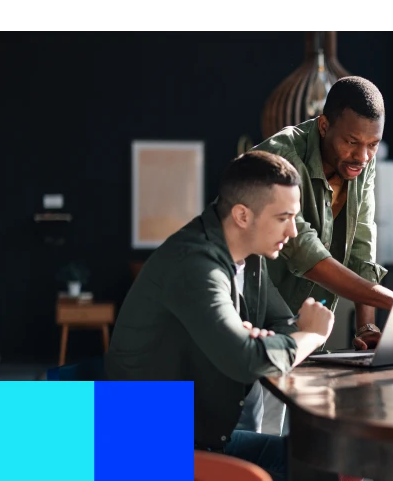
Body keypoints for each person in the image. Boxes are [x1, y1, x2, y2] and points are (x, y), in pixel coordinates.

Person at [104, 151, 335, 481]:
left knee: (319, 464)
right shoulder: (194, 264)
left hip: (205, 435)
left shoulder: (249, 257)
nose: (294, 232)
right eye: (284, 217)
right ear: (242, 215)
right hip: (152, 447)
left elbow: (282, 322)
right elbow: (246, 360)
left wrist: (266, 342)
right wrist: (312, 335)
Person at [253, 76, 393, 351]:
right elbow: (303, 250)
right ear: (323, 125)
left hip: (304, 339)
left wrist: (367, 327)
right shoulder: (279, 156)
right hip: (252, 323)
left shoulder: (362, 162)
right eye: (352, 142)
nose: (363, 156)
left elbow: (361, 245)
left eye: (373, 144)